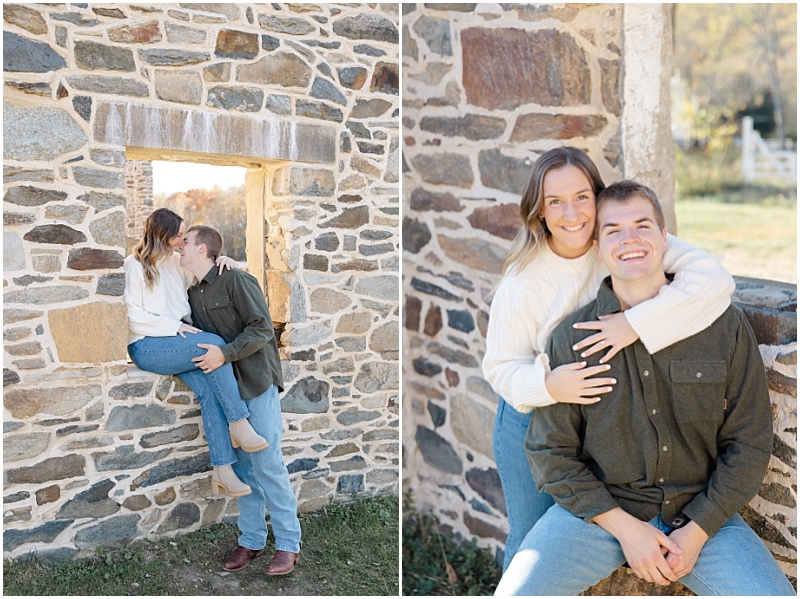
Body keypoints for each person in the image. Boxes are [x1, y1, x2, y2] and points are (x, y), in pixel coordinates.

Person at [495, 181, 794, 596]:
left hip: (700, 514)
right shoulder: (571, 337)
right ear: (598, 249)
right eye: (613, 230)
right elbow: (551, 452)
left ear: (664, 238)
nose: (630, 239)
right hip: (598, 516)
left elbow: (749, 442)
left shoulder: (722, 326)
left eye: (642, 225)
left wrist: (698, 530)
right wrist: (625, 529)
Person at [482, 147, 735, 571]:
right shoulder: (524, 283)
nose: (572, 213)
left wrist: (635, 324)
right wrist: (549, 386)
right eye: (555, 201)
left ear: (597, 199)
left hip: (595, 417)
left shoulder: (621, 239)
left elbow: (713, 279)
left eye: (582, 197)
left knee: (582, 533)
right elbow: (499, 367)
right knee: (534, 541)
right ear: (539, 212)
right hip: (533, 415)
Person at [178, 224, 301, 576]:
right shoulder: (193, 292)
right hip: (227, 391)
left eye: (185, 242)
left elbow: (262, 328)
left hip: (256, 381)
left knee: (267, 463)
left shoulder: (236, 279)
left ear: (202, 248)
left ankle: (289, 545)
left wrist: (224, 354)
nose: (180, 247)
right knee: (244, 468)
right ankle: (252, 539)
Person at [124, 208, 269, 498]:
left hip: (179, 345)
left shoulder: (176, 264)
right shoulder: (134, 264)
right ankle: (238, 422)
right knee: (211, 343)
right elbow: (131, 315)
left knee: (208, 389)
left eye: (182, 237)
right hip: (148, 345)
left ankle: (222, 470)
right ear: (162, 235)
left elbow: (204, 268)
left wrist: (225, 261)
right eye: (177, 235)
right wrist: (173, 325)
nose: (181, 241)